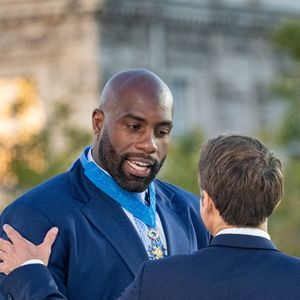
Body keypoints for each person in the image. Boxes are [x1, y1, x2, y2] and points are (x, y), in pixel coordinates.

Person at [0, 69, 209, 300]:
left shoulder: (193, 212)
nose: (150, 145)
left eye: (161, 132)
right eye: (134, 127)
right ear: (98, 123)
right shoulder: (33, 216)